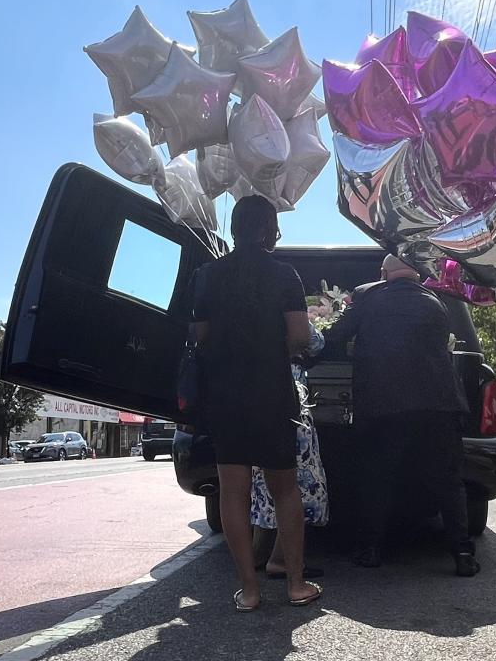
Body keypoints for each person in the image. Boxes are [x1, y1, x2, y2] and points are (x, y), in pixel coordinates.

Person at [191, 195, 321, 612]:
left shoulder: (208, 275)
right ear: (271, 229)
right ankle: (297, 584)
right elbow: (301, 338)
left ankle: (249, 590)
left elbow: (198, 335)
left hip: (225, 393)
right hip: (271, 390)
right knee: (285, 487)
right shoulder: (286, 276)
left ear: (234, 228)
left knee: (234, 490)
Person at [324, 254, 479, 577]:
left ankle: (370, 549)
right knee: (449, 482)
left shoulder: (369, 297)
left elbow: (336, 336)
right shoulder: (437, 301)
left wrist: (308, 351)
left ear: (384, 274)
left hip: (386, 404)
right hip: (438, 403)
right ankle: (463, 552)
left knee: (377, 476)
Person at [250, 323, 328, 581]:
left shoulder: (243, 302)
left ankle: (258, 554)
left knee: (263, 479)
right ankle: (281, 560)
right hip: (287, 396)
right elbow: (314, 340)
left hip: (254, 396)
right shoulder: (281, 295)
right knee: (300, 484)